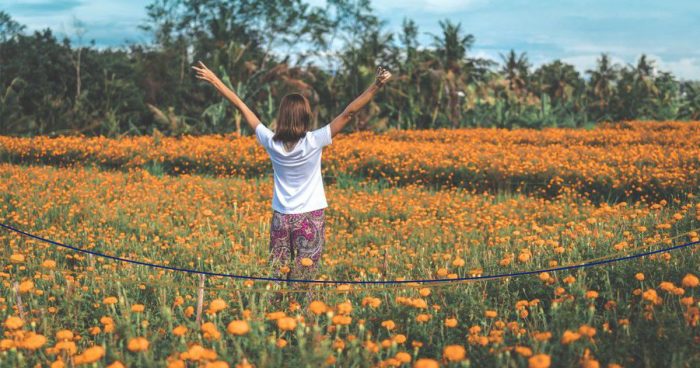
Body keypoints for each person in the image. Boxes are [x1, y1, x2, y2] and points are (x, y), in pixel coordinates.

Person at [192, 61, 392, 306]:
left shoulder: (270, 141)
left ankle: (277, 322)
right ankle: (301, 323)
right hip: (310, 218)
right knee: (304, 281)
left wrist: (214, 79)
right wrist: (376, 86)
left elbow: (241, 106)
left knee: (278, 278)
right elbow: (349, 113)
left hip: (281, 218)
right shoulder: (314, 141)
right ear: (305, 116)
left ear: (282, 116)